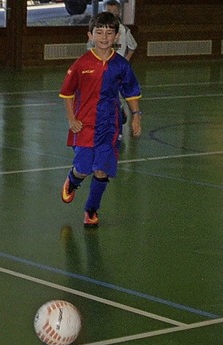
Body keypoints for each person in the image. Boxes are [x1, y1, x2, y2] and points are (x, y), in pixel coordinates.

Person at [60, 11, 142, 227]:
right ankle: (73, 179)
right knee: (84, 168)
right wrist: (71, 119)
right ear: (90, 35)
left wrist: (136, 116)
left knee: (102, 169)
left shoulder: (122, 65)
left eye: (109, 33)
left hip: (109, 125)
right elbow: (67, 94)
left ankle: (91, 210)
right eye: (99, 32)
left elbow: (131, 92)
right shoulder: (81, 64)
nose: (104, 37)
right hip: (84, 124)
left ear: (116, 37)